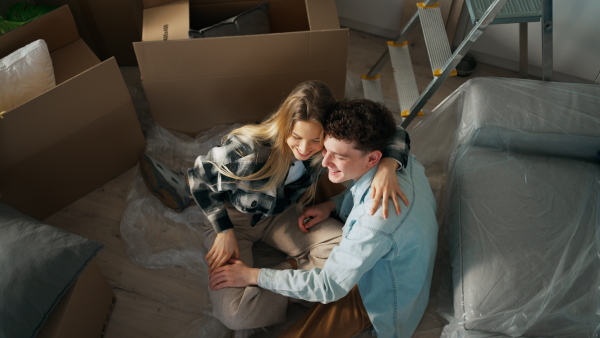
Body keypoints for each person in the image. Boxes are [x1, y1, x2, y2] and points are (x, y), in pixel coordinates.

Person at [139, 81, 411, 333]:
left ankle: (285, 269)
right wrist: (223, 231)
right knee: (235, 316)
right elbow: (198, 176)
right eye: (296, 137)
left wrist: (389, 165)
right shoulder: (247, 148)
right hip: (236, 221)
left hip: (282, 214)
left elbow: (393, 130)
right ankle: (183, 197)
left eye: (316, 140)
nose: (305, 149)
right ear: (285, 124)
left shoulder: (324, 148)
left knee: (346, 251)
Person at [209, 99, 438, 337]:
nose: (326, 160)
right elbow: (396, 130)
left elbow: (329, 286)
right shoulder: (396, 159)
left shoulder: (374, 222)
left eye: (339, 156)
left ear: (373, 159)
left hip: (373, 292)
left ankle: (296, 269)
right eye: (326, 148)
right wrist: (332, 205)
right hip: (395, 251)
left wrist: (254, 275)